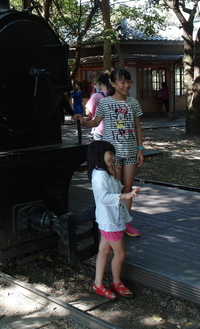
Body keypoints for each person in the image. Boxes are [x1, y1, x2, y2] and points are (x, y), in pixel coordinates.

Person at [74, 68, 144, 237]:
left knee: (128, 188)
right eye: (122, 81)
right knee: (115, 190)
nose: (126, 85)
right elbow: (95, 122)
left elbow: (138, 126)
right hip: (111, 154)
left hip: (130, 151)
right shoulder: (105, 103)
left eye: (129, 81)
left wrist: (140, 149)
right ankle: (113, 222)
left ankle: (126, 222)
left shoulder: (133, 102)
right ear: (113, 83)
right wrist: (82, 121)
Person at [87, 140, 140, 299]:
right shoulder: (99, 175)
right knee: (121, 254)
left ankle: (98, 283)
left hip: (111, 219)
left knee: (104, 250)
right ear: (99, 154)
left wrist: (116, 174)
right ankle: (116, 282)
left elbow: (116, 188)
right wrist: (125, 196)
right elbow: (103, 197)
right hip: (110, 221)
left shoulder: (104, 172)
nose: (113, 157)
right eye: (110, 153)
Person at [82, 74, 111, 140]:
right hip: (112, 130)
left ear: (99, 83)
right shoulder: (114, 95)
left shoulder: (96, 96)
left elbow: (88, 112)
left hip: (100, 128)